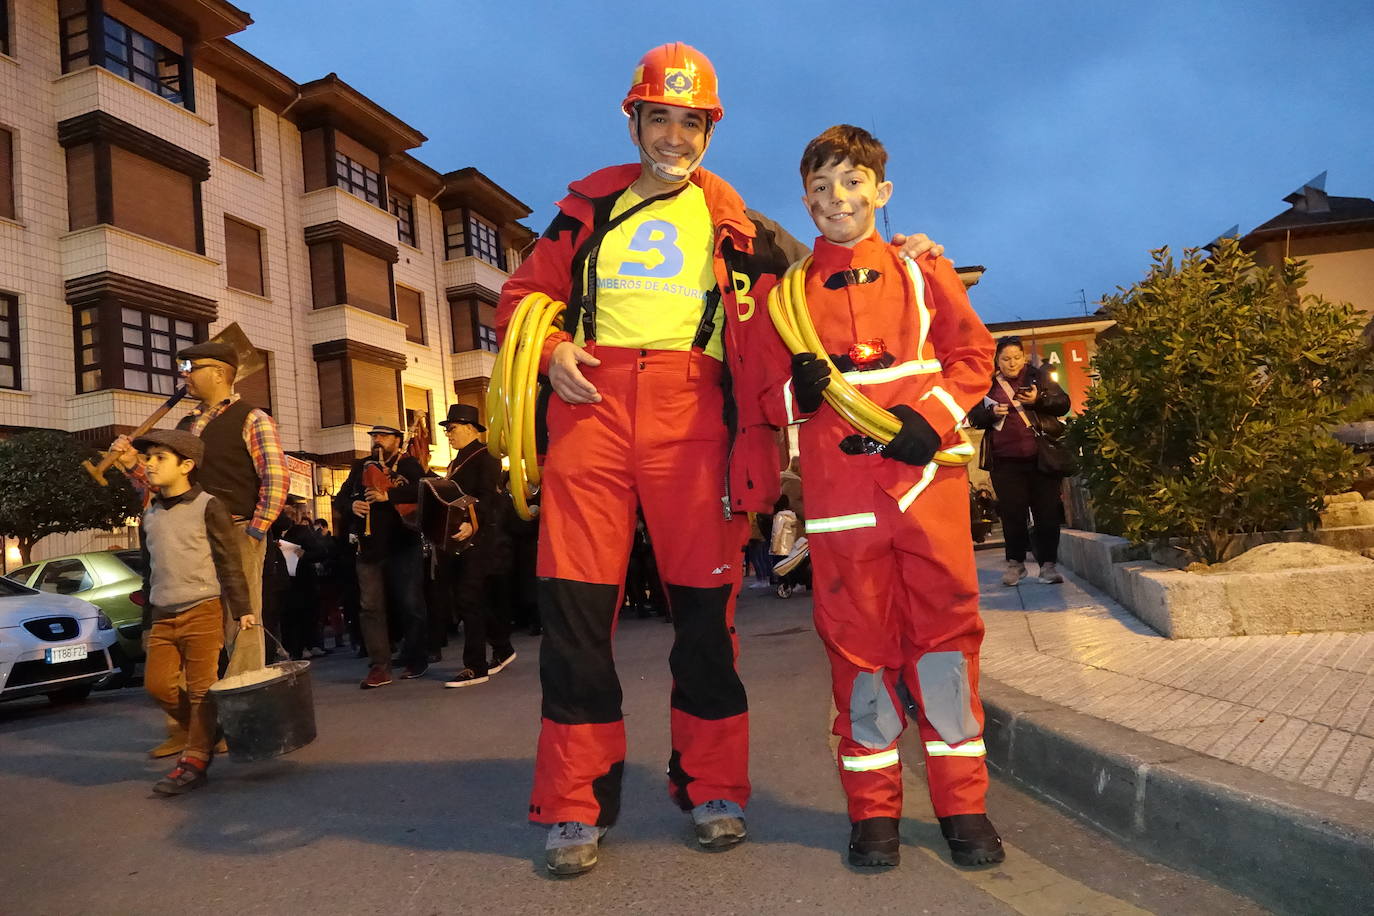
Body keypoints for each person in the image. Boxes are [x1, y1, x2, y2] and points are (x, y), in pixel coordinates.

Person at [498, 44, 946, 878]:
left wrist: (912, 255)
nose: (674, 135)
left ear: (710, 126)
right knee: (574, 617)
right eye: (659, 118)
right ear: (632, 119)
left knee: (705, 619)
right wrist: (553, 346)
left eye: (691, 120)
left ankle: (713, 785)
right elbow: (522, 296)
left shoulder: (738, 222)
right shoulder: (585, 206)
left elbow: (823, 285)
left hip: (693, 418)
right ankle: (574, 803)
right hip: (591, 411)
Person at [762, 125, 1004, 868]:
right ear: (805, 201)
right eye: (823, 188)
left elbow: (973, 356)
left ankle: (964, 808)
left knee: (944, 650)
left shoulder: (924, 271)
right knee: (858, 658)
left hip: (926, 489)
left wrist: (929, 423)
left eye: (853, 182)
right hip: (841, 503)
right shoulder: (786, 298)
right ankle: (874, 816)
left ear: (882, 191)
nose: (840, 198)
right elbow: (764, 402)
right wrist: (791, 392)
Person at [135, 428, 254, 796]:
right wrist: (146, 621)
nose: (149, 465)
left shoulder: (208, 505)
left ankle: (195, 760)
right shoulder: (149, 514)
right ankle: (208, 729)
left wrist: (242, 609)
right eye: (148, 458)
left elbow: (228, 559)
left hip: (202, 607)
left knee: (202, 689)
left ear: (186, 465)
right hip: (163, 613)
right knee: (157, 686)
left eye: (159, 458)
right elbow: (148, 569)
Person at [967, 336, 1071, 586]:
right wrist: (989, 413)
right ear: (997, 360)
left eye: (1016, 358)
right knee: (1012, 513)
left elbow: (1063, 404)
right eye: (1005, 359)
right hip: (1005, 461)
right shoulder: (987, 384)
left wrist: (1039, 400)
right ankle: (1016, 564)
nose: (1011, 363)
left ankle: (1048, 566)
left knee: (1046, 513)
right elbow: (973, 417)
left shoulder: (1039, 377)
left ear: (1024, 357)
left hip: (1040, 458)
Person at [334, 424, 426, 688]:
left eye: (383, 437)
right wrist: (352, 505)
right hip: (369, 547)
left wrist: (389, 495)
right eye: (373, 436)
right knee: (370, 607)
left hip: (402, 545)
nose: (376, 441)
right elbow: (341, 498)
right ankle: (379, 665)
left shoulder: (409, 465)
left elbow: (422, 490)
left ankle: (416, 657)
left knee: (410, 603)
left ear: (397, 441)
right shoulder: (360, 466)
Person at [436, 404, 517, 688]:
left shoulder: (487, 455)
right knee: (470, 599)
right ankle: (503, 648)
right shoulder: (455, 461)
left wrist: (474, 523)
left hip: (479, 539)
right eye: (447, 430)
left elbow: (488, 497)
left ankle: (475, 666)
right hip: (459, 540)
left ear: (470, 428)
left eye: (452, 428)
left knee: (469, 598)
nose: (448, 434)